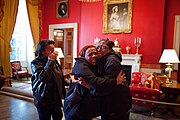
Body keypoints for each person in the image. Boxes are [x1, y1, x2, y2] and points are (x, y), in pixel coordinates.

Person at [64, 45, 126, 120]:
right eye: (90, 54)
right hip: (74, 108)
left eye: (95, 53)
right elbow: (96, 83)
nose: (94, 56)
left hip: (85, 109)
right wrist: (116, 81)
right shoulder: (80, 66)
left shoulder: (93, 65)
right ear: (83, 56)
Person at [96, 38, 132, 120]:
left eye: (103, 47)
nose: (99, 49)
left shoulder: (111, 61)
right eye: (98, 47)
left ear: (109, 49)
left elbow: (107, 84)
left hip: (117, 102)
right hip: (115, 101)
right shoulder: (105, 59)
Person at [31, 40, 66, 120]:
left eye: (54, 50)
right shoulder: (35, 63)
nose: (55, 53)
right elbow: (43, 78)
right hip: (43, 99)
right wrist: (50, 61)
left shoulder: (54, 61)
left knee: (58, 117)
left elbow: (58, 77)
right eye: (52, 51)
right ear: (42, 51)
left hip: (56, 98)